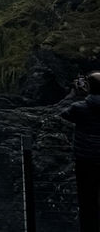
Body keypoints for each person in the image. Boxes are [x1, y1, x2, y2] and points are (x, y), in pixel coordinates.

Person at [61, 71, 100, 232]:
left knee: (86, 200)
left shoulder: (80, 107)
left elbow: (64, 114)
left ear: (88, 86)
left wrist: (76, 96)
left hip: (85, 160)